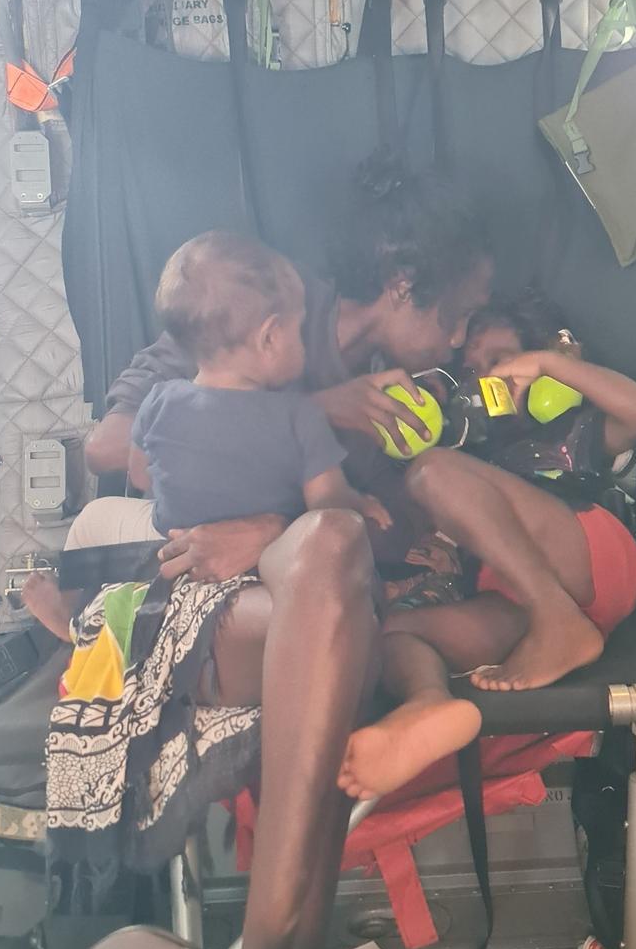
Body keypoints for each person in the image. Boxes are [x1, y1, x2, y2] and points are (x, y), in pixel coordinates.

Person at [34, 151, 495, 949]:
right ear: (400, 285)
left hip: (306, 607)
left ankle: (276, 940)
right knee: (328, 558)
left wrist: (276, 527)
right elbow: (116, 447)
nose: (458, 343)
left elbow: (383, 540)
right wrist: (311, 416)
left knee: (332, 550)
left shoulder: (405, 398)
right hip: (191, 592)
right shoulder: (250, 312)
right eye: (454, 317)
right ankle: (279, 935)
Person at [335, 290, 636, 802]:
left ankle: (558, 622)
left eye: (499, 360)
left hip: (588, 548)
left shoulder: (577, 428)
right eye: (474, 370)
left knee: (430, 474)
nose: (489, 379)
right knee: (394, 633)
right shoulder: (472, 447)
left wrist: (549, 364)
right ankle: (429, 703)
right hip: (514, 601)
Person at [24, 231, 391, 641]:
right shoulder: (300, 416)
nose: (306, 341)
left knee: (93, 519)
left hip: (168, 560)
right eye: (299, 328)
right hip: (262, 572)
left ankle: (81, 622)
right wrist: (361, 500)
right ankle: (90, 628)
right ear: (269, 338)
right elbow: (329, 509)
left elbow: (142, 475)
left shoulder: (158, 401)